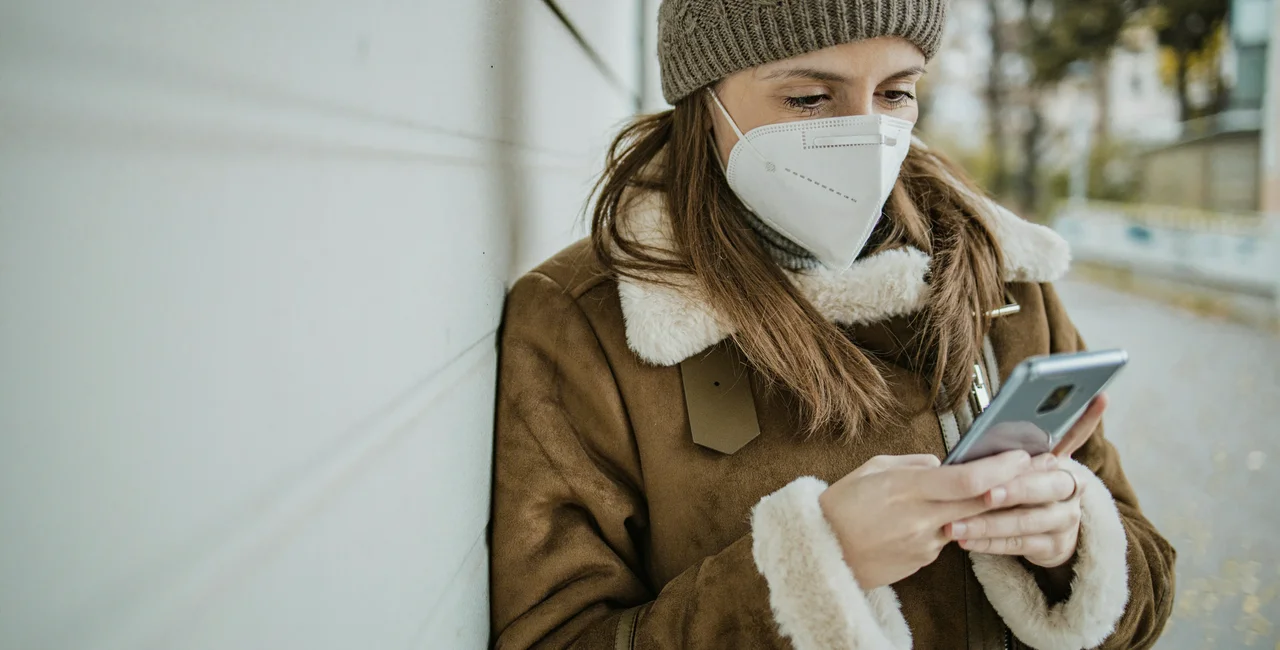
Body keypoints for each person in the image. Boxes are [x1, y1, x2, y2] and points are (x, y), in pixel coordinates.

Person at [489, 1, 1175, 648]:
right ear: (705, 99)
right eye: (810, 99)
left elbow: (1146, 589)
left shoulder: (1001, 277)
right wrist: (807, 571)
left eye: (897, 93)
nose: (866, 134)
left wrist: (1069, 543)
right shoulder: (585, 321)